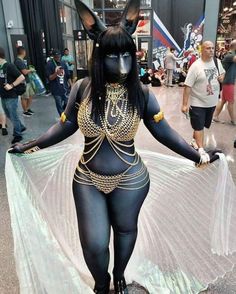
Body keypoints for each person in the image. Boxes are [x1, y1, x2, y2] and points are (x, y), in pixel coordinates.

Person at [8, 2, 221, 293]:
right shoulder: (82, 88)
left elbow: (163, 132)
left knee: (124, 231)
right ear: (99, 56)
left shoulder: (142, 93)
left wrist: (198, 154)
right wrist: (30, 146)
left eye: (126, 55)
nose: (121, 63)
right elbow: (65, 125)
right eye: (112, 55)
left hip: (131, 179)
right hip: (87, 179)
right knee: (94, 244)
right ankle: (101, 281)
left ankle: (119, 274)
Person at [181, 41, 225, 154]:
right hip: (198, 103)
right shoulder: (196, 66)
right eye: (208, 48)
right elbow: (187, 86)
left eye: (212, 48)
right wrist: (185, 104)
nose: (211, 50)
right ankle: (201, 150)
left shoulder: (217, 62)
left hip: (212, 102)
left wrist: (222, 78)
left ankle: (194, 141)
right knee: (199, 127)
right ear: (202, 50)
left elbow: (222, 75)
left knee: (201, 125)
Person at [0, 47, 26, 143]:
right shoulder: (1, 67)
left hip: (11, 95)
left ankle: (18, 135)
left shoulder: (9, 66)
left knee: (13, 115)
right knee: (8, 114)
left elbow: (22, 77)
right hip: (3, 96)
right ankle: (21, 126)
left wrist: (11, 85)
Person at [213, 40, 236, 125]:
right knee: (231, 101)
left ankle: (215, 116)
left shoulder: (231, 55)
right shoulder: (230, 55)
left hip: (228, 81)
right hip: (228, 81)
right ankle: (233, 120)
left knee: (223, 100)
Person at [46, 49, 70, 116]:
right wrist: (56, 73)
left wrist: (72, 85)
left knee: (67, 103)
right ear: (53, 56)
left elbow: (67, 76)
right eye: (56, 57)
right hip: (56, 88)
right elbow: (50, 78)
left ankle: (66, 115)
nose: (58, 58)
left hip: (64, 88)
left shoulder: (63, 63)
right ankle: (62, 118)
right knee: (59, 104)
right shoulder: (49, 64)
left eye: (59, 56)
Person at [14, 46, 35, 117]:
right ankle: (25, 111)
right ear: (23, 52)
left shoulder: (21, 61)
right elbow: (25, 72)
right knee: (24, 97)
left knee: (31, 95)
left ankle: (28, 108)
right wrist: (31, 70)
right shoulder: (18, 61)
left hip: (27, 81)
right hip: (23, 82)